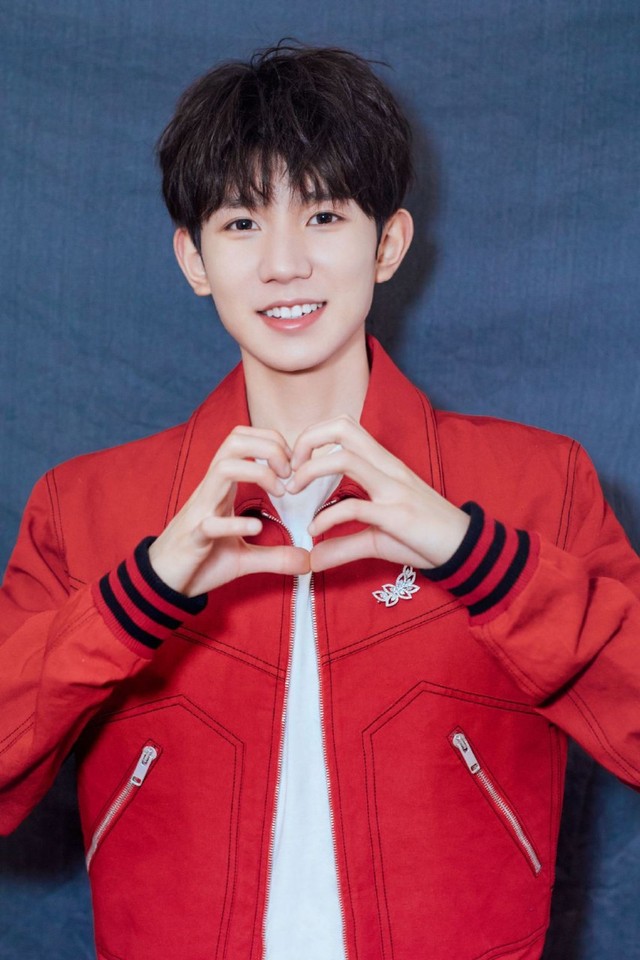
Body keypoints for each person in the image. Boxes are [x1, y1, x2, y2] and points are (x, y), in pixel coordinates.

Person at [0, 42, 639, 960]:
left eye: (325, 214)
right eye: (241, 222)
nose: (285, 264)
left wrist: (475, 558)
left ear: (388, 244)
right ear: (193, 258)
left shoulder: (541, 483)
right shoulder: (83, 506)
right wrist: (141, 592)